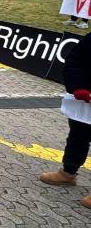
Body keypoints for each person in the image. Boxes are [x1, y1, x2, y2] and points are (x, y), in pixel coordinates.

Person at [39, 32, 91, 208]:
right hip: (86, 102)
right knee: (77, 137)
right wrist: (78, 87)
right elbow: (75, 61)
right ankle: (68, 173)